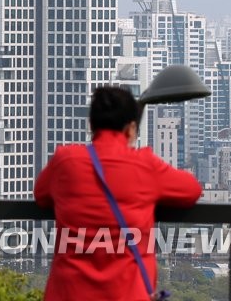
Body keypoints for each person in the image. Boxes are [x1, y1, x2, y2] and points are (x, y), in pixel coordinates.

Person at [34, 85, 202, 300]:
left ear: (91, 125)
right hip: (127, 293)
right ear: (131, 129)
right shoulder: (144, 166)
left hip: (69, 293)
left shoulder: (66, 161)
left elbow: (41, 195)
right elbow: (192, 190)